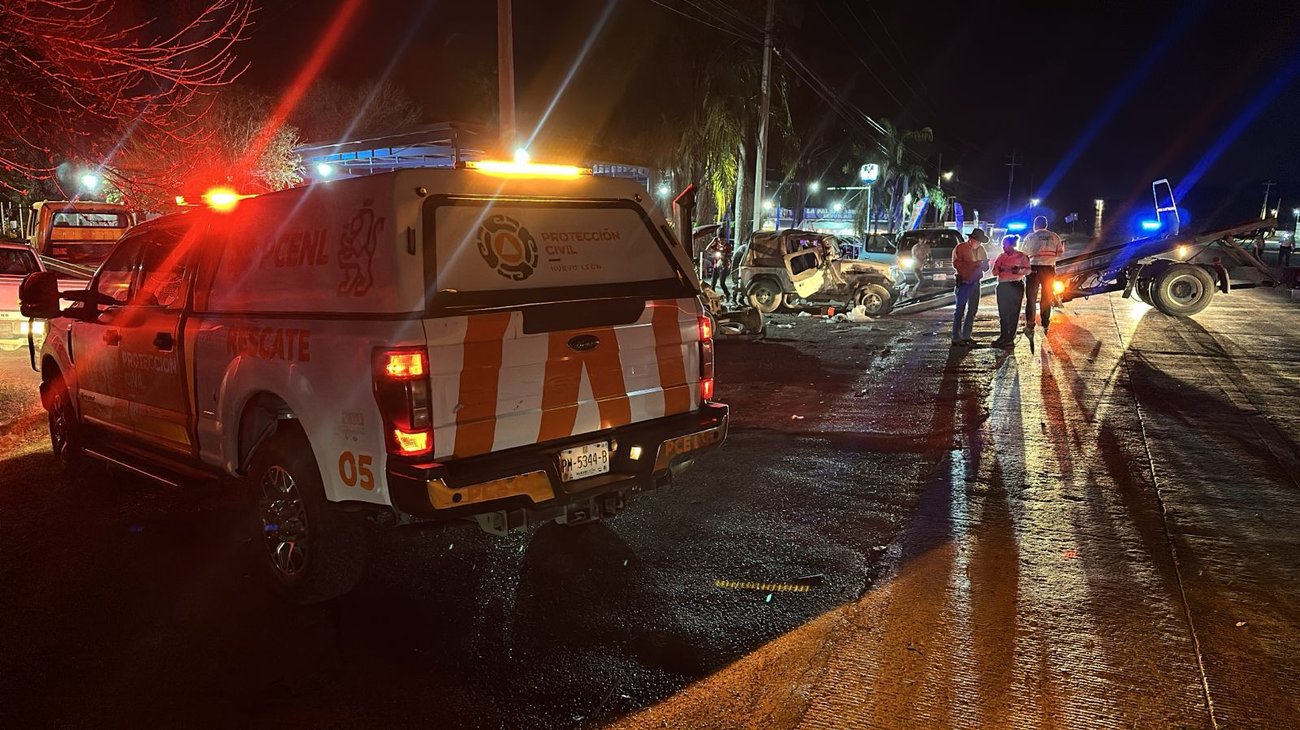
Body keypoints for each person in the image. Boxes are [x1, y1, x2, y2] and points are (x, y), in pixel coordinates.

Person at [1021, 215, 1065, 334]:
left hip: (1034, 269)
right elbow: (1060, 253)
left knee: (1031, 298)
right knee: (1046, 297)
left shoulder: (1031, 237)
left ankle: (1030, 323)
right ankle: (1045, 322)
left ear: (1035, 225)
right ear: (1046, 225)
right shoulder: (1054, 236)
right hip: (1049, 270)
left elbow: (1023, 253)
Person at [952, 228, 990, 345]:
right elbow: (957, 264)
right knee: (960, 310)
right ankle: (956, 338)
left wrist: (984, 265)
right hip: (964, 282)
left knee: (972, 310)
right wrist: (975, 265)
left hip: (975, 282)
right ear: (972, 239)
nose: (979, 243)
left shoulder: (981, 249)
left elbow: (986, 266)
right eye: (978, 241)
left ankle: (966, 336)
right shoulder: (960, 248)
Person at [991, 235, 1031, 348]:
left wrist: (1018, 270)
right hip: (1002, 285)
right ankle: (1003, 336)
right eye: (1002, 245)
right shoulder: (1001, 256)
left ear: (1012, 245)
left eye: (1005, 245)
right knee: (1003, 313)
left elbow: (1028, 270)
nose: (1003, 247)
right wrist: (999, 269)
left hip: (1015, 285)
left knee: (1014, 312)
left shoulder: (1021, 256)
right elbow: (994, 272)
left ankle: (1010, 338)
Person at [708, 232, 731, 302]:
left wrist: (723, 256)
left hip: (724, 266)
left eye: (722, 239)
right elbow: (707, 249)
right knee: (713, 283)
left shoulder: (727, 246)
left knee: (722, 283)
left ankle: (728, 295)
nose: (721, 241)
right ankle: (713, 298)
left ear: (724, 239)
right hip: (716, 266)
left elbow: (729, 255)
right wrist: (712, 241)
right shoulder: (717, 244)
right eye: (719, 239)